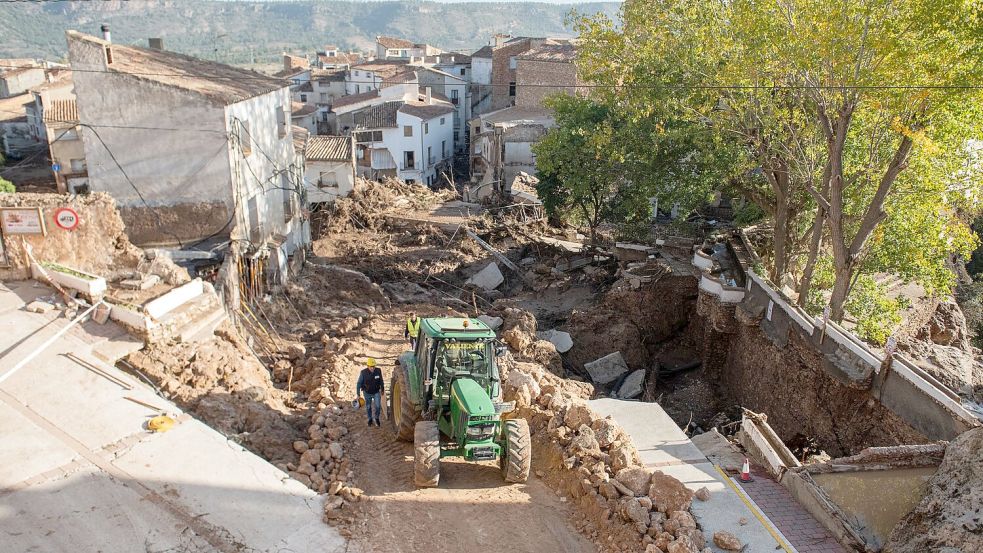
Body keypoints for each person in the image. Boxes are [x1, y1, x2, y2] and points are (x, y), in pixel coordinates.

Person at [356, 358, 384, 427]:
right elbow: (359, 383)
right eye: (371, 366)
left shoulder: (378, 370)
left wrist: (382, 389)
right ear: (367, 366)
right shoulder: (363, 373)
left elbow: (381, 381)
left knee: (377, 406)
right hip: (367, 393)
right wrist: (358, 394)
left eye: (374, 366)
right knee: (368, 407)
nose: (372, 368)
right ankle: (370, 419)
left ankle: (376, 418)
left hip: (376, 392)